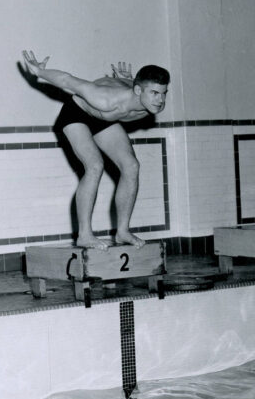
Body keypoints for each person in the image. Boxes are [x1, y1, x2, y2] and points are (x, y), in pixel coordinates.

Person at [20, 52, 170, 250]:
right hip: (76, 114)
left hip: (103, 120)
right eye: (154, 93)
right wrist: (39, 71)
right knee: (94, 165)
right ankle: (84, 235)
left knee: (131, 166)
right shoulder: (105, 99)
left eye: (163, 93)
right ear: (138, 90)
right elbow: (67, 81)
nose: (160, 100)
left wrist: (124, 78)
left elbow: (132, 85)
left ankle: (123, 231)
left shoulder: (146, 102)